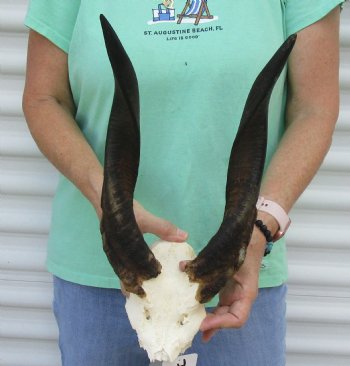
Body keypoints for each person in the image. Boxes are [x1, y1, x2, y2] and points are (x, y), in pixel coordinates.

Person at [22, 1, 345, 365]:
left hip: (234, 279)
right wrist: (107, 203)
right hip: (101, 278)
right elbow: (44, 98)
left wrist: (257, 230)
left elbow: (313, 108)